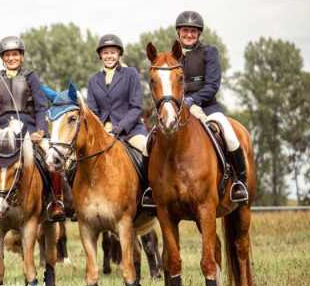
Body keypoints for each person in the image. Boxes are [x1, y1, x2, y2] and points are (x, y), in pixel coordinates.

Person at [141, 11, 248, 206]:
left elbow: (213, 85)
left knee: (230, 136)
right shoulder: (171, 58)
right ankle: (149, 188)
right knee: (150, 141)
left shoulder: (209, 53)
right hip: (176, 109)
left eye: (193, 31)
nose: (188, 34)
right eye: (185, 31)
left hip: (207, 107)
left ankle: (239, 183)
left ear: (198, 34)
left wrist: (193, 101)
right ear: (179, 33)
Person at [0, 36, 65, 222]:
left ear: (22, 57)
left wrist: (41, 131)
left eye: (15, 54)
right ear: (3, 58)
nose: (11, 58)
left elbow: (42, 106)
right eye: (7, 55)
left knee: (51, 155)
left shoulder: (31, 77)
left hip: (29, 129)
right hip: (1, 131)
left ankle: (56, 202)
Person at [86, 34, 148, 153]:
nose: (109, 56)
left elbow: (136, 107)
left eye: (113, 52)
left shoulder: (131, 74)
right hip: (102, 132)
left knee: (145, 148)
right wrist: (101, 130)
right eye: (105, 53)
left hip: (130, 131)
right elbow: (92, 111)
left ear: (119, 54)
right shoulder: (93, 80)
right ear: (100, 55)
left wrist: (119, 128)